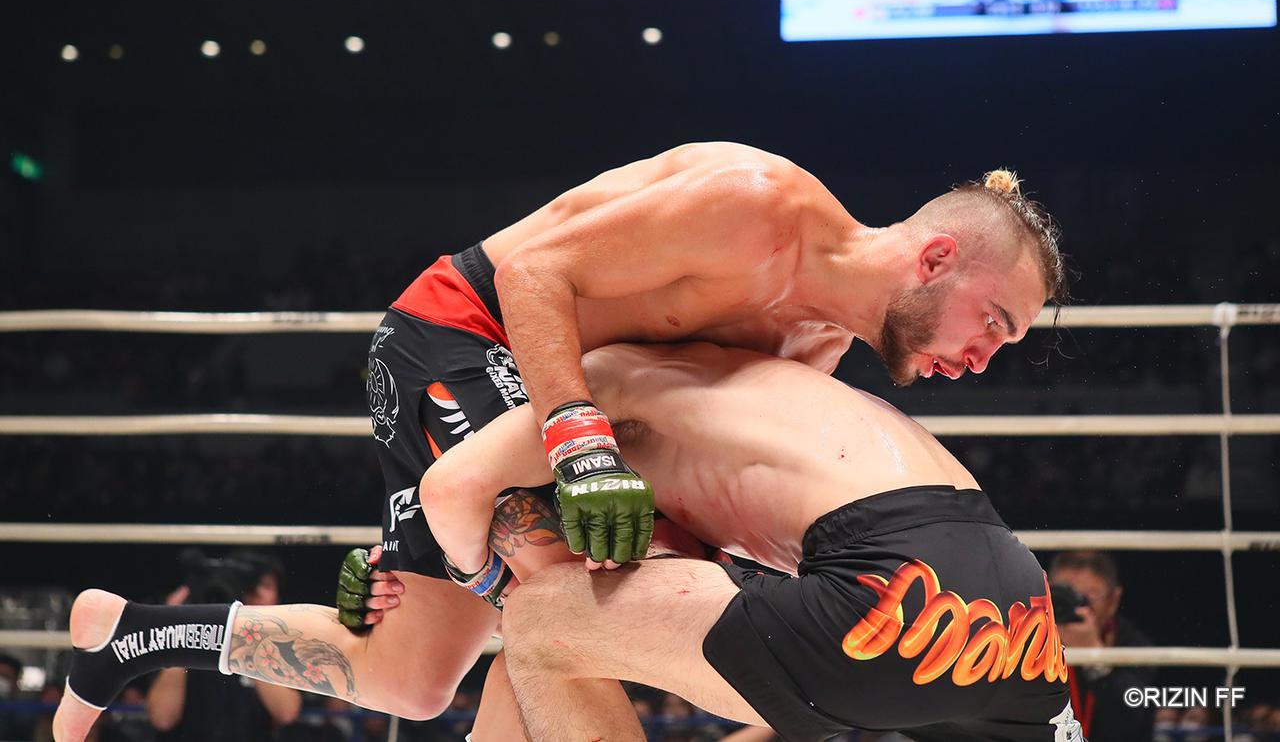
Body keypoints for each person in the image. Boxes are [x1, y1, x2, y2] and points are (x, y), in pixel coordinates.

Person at [339, 142, 1063, 719]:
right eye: (992, 322)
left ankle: (268, 620)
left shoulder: (819, 347)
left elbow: (680, 451)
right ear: (936, 258)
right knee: (573, 602)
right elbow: (531, 273)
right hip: (473, 330)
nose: (981, 360)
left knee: (412, 679)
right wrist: (580, 449)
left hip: (579, 392)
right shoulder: (757, 207)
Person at [422, 342, 1081, 741]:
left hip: (894, 593)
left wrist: (490, 584)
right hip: (1016, 603)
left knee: (541, 623)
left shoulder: (603, 388)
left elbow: (450, 489)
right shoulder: (783, 369)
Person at [146, 553, 301, 742]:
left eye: (266, 587)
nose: (257, 594)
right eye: (250, 588)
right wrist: (180, 631)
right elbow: (162, 719)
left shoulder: (279, 645)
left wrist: (249, 634)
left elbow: (286, 712)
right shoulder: (190, 641)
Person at [1049, 550, 1154, 742]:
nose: (1076, 606)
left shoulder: (1133, 645)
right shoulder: (1026, 638)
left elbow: (1131, 724)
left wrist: (1095, 658)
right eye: (1064, 594)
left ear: (1113, 601)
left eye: (1089, 596)